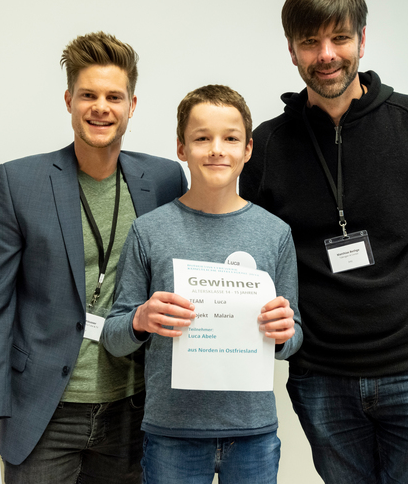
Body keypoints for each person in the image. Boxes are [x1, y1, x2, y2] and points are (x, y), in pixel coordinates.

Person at [238, 0, 408, 483]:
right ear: (291, 50)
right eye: (310, 42)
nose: (326, 54)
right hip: (321, 378)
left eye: (339, 38)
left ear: (362, 40)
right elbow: (247, 259)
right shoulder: (267, 144)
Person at [0, 32, 187, 483]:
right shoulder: (20, 182)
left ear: (132, 106)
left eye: (113, 97)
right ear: (69, 101)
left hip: (133, 409)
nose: (101, 107)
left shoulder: (164, 180)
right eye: (88, 95)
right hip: (44, 411)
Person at [101, 85, 302, 484]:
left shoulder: (275, 233)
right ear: (181, 148)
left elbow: (292, 338)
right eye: (202, 138)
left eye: (231, 138)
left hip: (253, 433)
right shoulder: (148, 231)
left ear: (248, 149)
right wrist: (140, 319)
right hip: (172, 434)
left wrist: (284, 333)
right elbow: (113, 337)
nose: (216, 150)